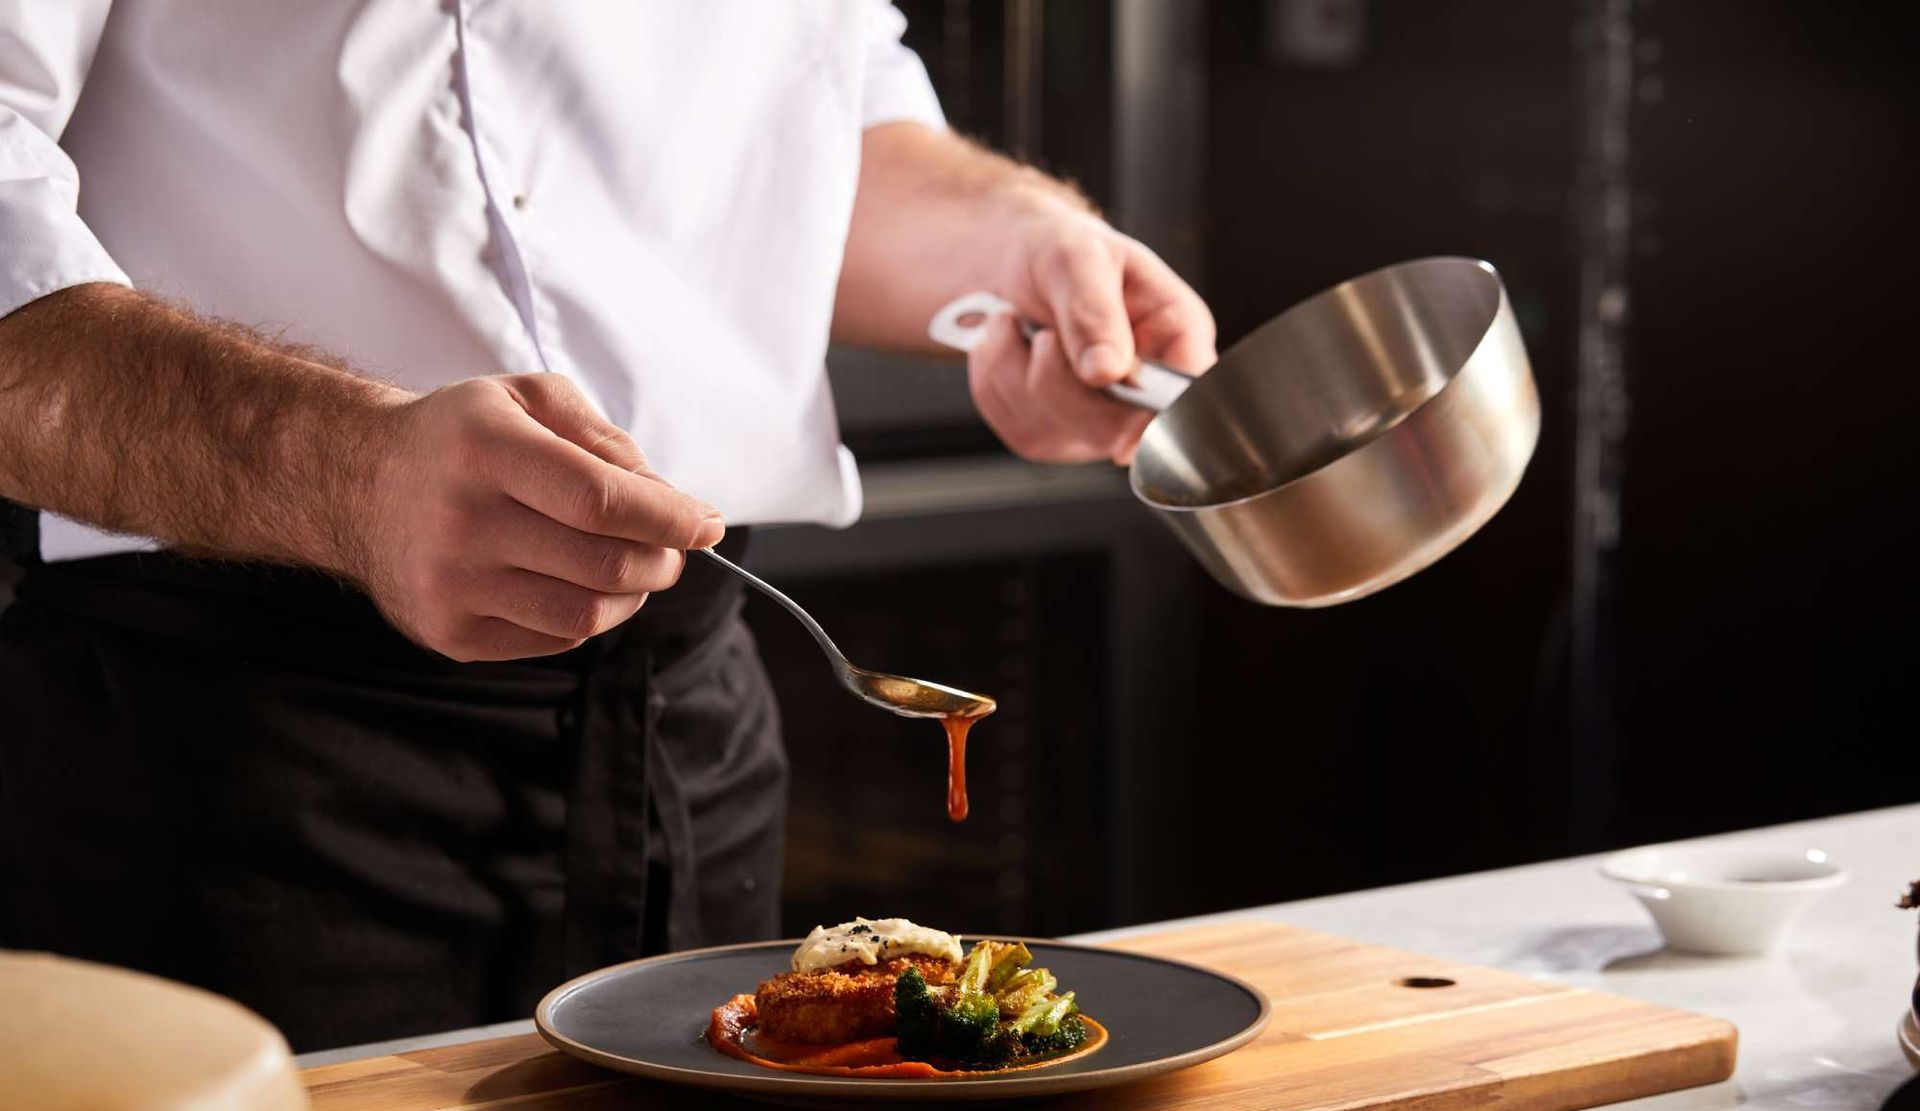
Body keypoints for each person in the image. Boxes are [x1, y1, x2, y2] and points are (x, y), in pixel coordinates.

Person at [0, 3, 1215, 1051]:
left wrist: (1019, 246)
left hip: (696, 722)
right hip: (234, 750)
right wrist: (349, 473)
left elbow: (815, 131)